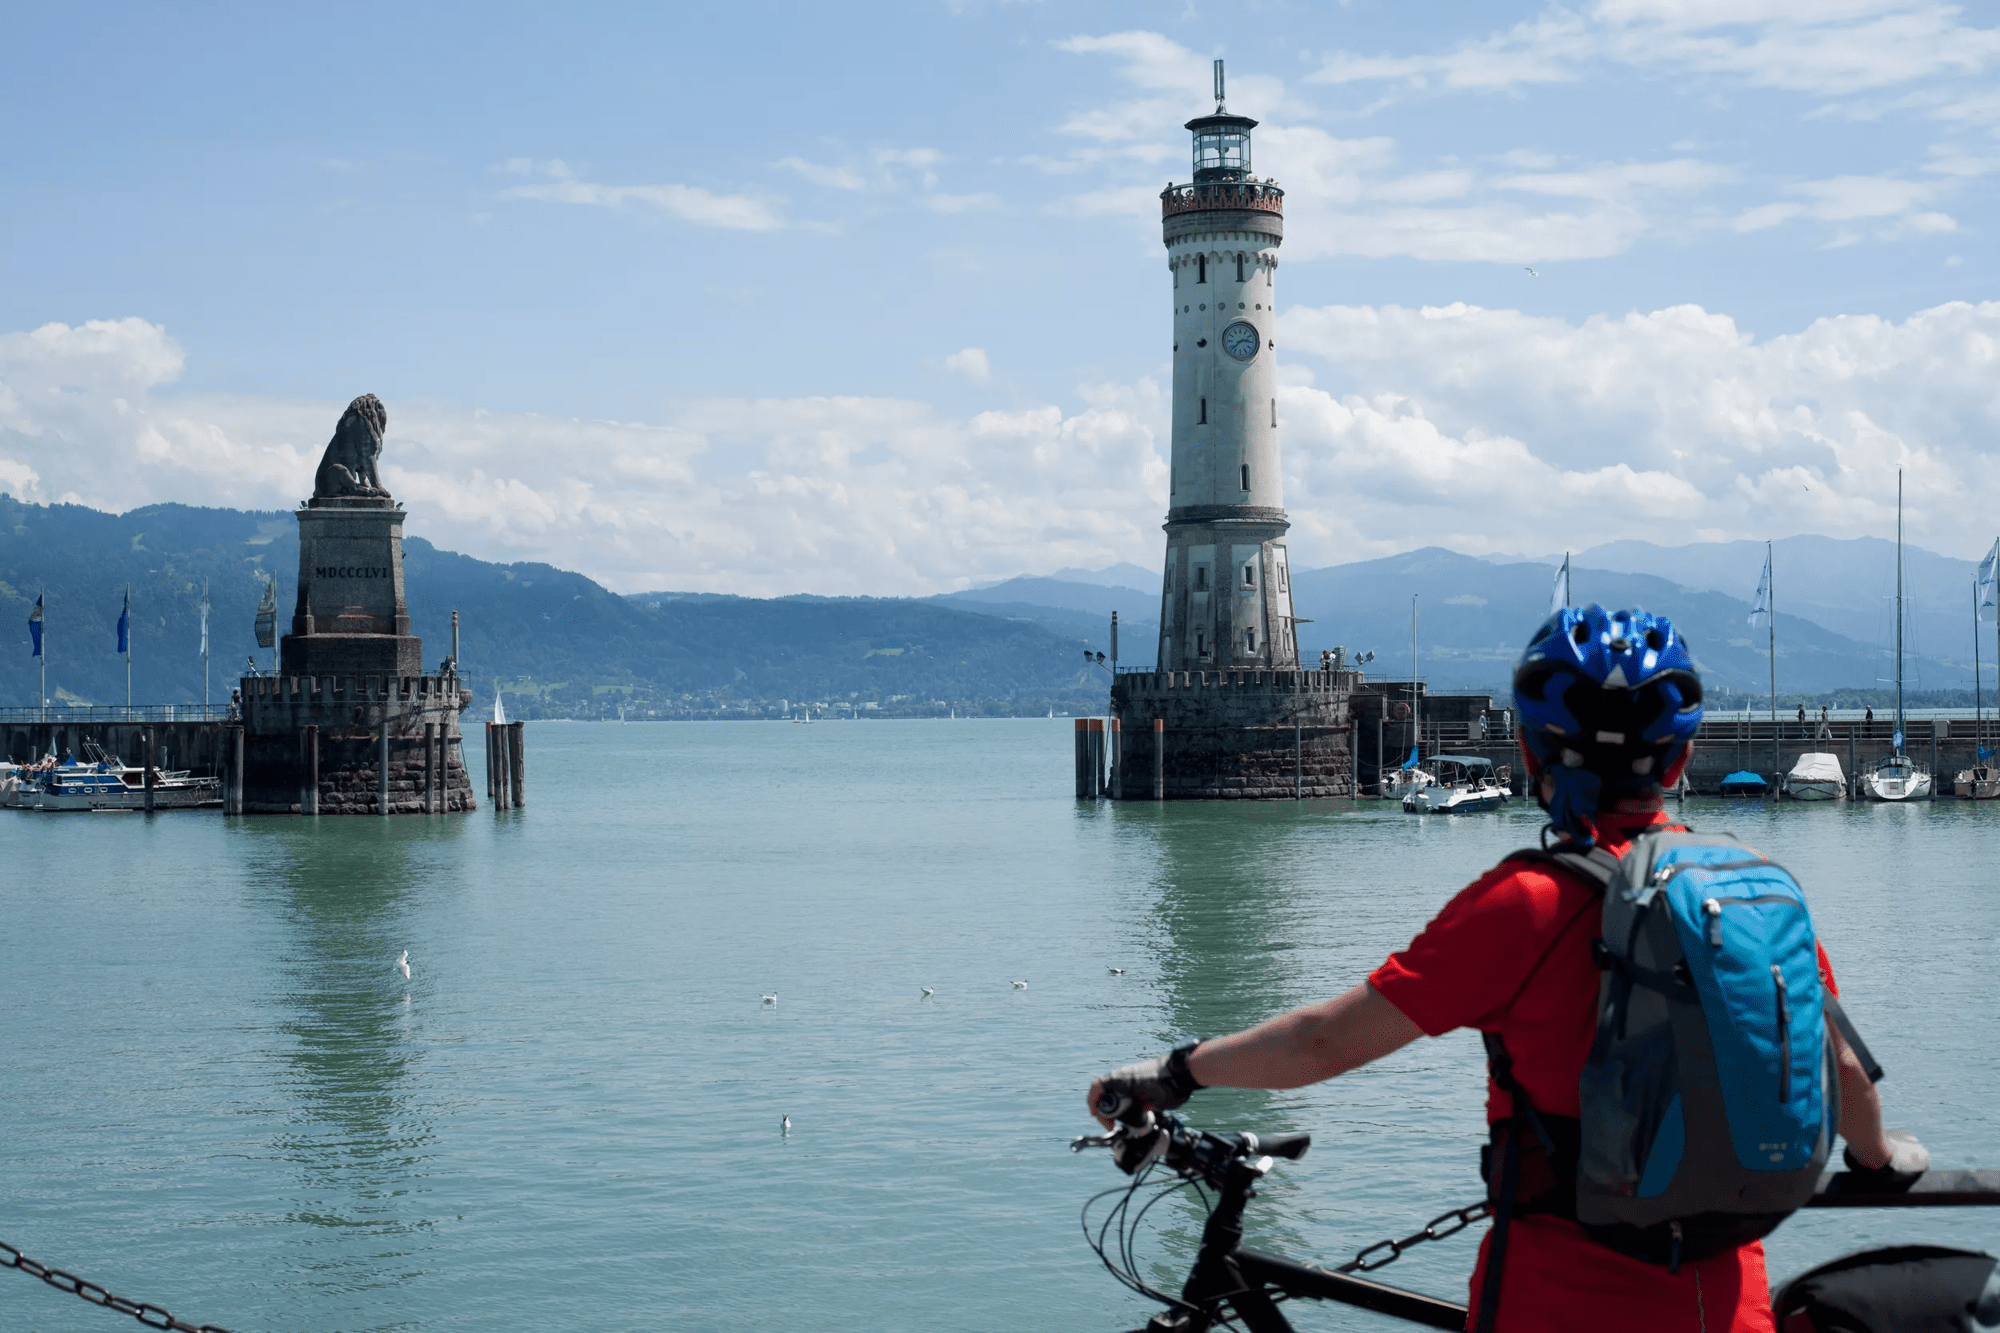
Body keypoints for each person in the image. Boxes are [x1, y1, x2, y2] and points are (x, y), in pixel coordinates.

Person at [1089, 605, 1926, 1333]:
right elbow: (1839, 1066)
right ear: (1678, 759)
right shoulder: (1753, 891)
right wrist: (1884, 1159)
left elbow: (1319, 1044)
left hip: (1556, 1305)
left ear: (1529, 750)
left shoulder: (1525, 904)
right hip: (1725, 1303)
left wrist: (1176, 1069)